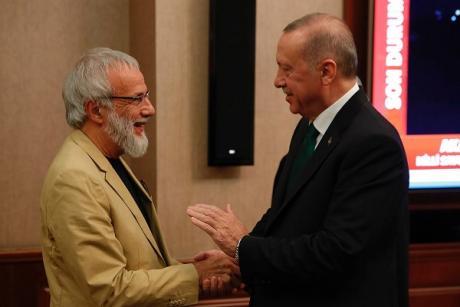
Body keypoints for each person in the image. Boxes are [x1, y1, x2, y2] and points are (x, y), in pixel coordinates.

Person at [187, 13, 409, 307]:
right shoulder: (309, 125)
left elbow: (336, 252)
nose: (278, 81)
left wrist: (244, 248)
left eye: (287, 69)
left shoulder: (373, 143)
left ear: (327, 71)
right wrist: (236, 261)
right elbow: (285, 218)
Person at [40, 47, 239, 307]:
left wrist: (198, 270)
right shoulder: (74, 179)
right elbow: (109, 290)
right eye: (136, 99)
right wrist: (195, 275)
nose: (150, 109)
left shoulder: (109, 160)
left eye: (146, 96)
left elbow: (138, 264)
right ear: (96, 111)